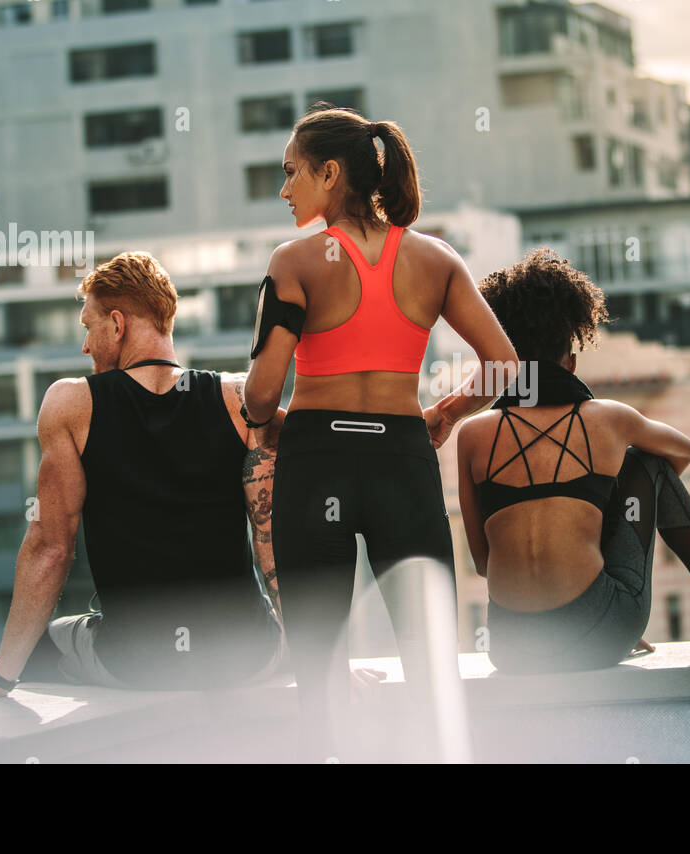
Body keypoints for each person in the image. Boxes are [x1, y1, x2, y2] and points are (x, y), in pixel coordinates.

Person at [242, 105, 518, 757]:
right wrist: (447, 414)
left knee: (318, 669)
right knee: (430, 666)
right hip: (402, 457)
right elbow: (504, 366)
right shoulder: (436, 259)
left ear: (330, 172)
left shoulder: (295, 262)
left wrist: (270, 422)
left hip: (316, 459)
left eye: (291, 174)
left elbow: (259, 391)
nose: (284, 190)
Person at [0, 251, 285, 697]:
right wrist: (320, 656)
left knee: (44, 647)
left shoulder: (71, 404)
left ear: (117, 323)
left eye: (88, 327)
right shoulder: (238, 399)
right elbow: (272, 538)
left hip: (139, 663)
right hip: (247, 655)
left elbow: (50, 548)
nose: (85, 346)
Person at [455, 250, 690, 674]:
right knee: (647, 462)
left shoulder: (472, 434)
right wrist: (605, 501)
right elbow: (682, 451)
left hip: (510, 647)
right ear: (572, 361)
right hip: (598, 631)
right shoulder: (610, 419)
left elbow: (484, 563)